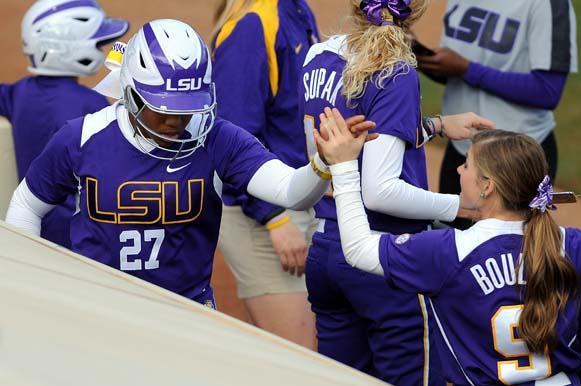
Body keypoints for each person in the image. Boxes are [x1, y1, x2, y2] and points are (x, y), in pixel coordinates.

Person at [5, 19, 372, 308]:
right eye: (163, 110)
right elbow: (26, 205)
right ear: (130, 93)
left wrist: (324, 163)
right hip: (97, 304)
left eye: (186, 108)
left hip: (187, 310)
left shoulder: (218, 136)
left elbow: (290, 191)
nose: (176, 121)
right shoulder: (81, 137)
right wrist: (34, 284)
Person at [317, 120, 581, 385]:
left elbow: (360, 250)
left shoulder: (449, 251)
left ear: (488, 186)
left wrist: (345, 168)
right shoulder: (574, 245)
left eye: (467, 164)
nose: (458, 169)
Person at [299, 1, 495, 384]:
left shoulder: (317, 56)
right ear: (415, 12)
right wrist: (464, 207)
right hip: (385, 261)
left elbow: (357, 139)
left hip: (325, 253)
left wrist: (435, 125)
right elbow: (380, 191)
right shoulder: (396, 69)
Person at [210, 0, 320, 348]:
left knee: (266, 349)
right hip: (260, 210)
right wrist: (273, 219)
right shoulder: (253, 27)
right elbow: (232, 137)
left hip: (293, 195)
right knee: (298, 354)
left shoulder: (296, 10)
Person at [417, 0, 578, 228]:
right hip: (464, 152)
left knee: (510, 255)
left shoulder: (548, 5)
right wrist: (425, 60)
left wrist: (468, 69)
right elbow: (454, 69)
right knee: (453, 250)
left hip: (517, 159)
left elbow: (548, 91)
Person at [0, 0, 129, 248]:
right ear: (65, 46)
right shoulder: (92, 103)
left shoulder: (18, 93)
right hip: (81, 237)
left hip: (31, 221)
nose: (102, 51)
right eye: (97, 43)